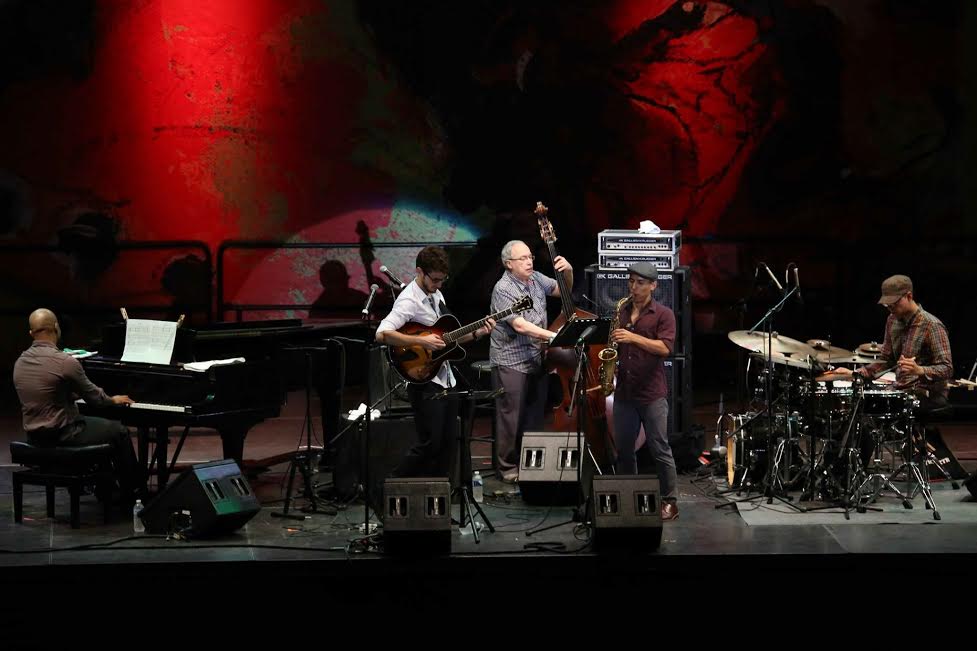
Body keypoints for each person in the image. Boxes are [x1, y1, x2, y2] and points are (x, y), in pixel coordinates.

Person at [376, 246, 494, 479]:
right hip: (423, 378)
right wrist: (421, 341)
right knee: (430, 443)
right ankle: (390, 484)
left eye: (443, 279)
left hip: (444, 377)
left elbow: (449, 337)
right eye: (435, 279)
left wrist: (479, 332)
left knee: (447, 445)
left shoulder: (435, 294)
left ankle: (438, 503)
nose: (439, 284)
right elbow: (382, 333)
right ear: (420, 271)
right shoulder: (409, 300)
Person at [12, 308, 144, 504]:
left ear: (31, 333)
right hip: (63, 434)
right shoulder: (65, 362)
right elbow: (96, 399)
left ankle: (106, 487)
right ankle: (133, 493)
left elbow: (46, 393)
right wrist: (113, 399)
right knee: (118, 431)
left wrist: (69, 395)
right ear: (56, 328)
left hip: (35, 435)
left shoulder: (20, 362)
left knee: (100, 428)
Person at [489, 239, 572, 483]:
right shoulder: (503, 288)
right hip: (511, 360)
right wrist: (555, 336)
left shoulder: (535, 277)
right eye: (522, 258)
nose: (529, 261)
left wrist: (568, 271)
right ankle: (506, 468)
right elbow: (520, 325)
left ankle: (531, 464)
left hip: (537, 357)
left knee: (535, 416)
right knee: (510, 417)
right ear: (508, 264)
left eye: (530, 257)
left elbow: (563, 291)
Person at [609, 262, 679, 521]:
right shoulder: (622, 311)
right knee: (624, 450)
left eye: (640, 282)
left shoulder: (664, 314)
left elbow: (665, 348)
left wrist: (633, 338)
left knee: (660, 448)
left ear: (653, 285)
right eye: (631, 281)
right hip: (624, 392)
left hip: (651, 393)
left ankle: (670, 500)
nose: (633, 287)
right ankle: (629, 496)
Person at [825, 274, 952, 410]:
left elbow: (947, 368)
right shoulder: (892, 320)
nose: (890, 307)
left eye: (894, 302)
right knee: (860, 402)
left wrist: (920, 370)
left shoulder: (932, 325)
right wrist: (855, 374)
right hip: (902, 389)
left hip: (928, 394)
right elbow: (886, 360)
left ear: (909, 296)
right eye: (887, 303)